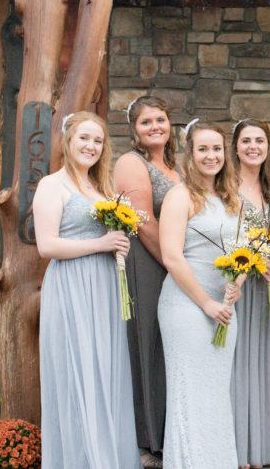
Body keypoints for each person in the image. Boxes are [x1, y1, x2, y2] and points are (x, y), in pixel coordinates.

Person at [33, 111, 140, 469]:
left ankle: (108, 458)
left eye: (98, 140)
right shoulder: (52, 185)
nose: (91, 146)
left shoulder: (101, 189)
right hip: (71, 289)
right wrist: (102, 244)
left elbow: (108, 238)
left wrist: (118, 244)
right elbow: (47, 245)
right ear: (68, 140)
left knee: (104, 373)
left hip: (104, 290)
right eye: (84, 138)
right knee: (76, 373)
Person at [158, 120, 244, 468]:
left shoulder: (232, 199)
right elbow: (172, 257)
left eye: (217, 149)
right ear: (190, 154)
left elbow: (243, 252)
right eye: (203, 149)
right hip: (187, 305)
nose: (211, 156)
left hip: (224, 307)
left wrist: (237, 283)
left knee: (216, 392)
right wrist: (206, 302)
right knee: (190, 392)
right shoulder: (180, 196)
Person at [113, 95, 179, 468]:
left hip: (174, 263)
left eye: (160, 119)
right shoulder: (131, 162)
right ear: (134, 130)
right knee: (148, 344)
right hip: (147, 261)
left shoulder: (176, 166)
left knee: (170, 347)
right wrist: (174, 264)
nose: (155, 126)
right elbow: (142, 220)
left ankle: (171, 435)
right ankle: (147, 443)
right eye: (146, 122)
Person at [230, 119, 270, 469]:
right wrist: (250, 258)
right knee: (236, 361)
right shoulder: (226, 186)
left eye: (259, 140)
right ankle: (235, 448)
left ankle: (258, 448)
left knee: (261, 361)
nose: (253, 147)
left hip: (266, 285)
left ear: (267, 145)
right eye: (246, 140)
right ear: (235, 147)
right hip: (236, 283)